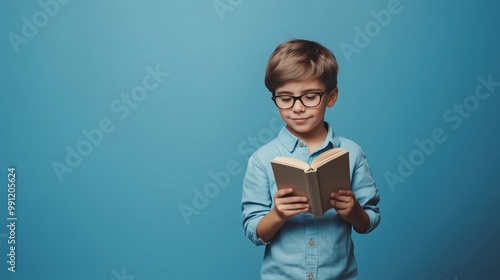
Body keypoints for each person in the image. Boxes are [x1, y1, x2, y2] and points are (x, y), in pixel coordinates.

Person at [241, 39, 381, 279]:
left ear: (331, 96)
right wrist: (278, 215)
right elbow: (254, 232)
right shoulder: (261, 159)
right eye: (285, 98)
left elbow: (369, 220)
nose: (297, 108)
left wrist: (354, 211)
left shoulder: (353, 152)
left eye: (309, 96)